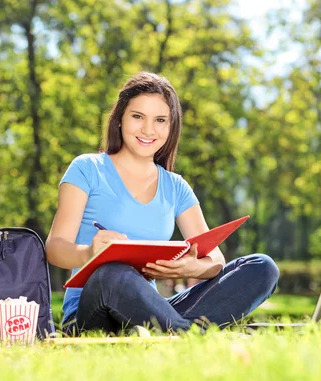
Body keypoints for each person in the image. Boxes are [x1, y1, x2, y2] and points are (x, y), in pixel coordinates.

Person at [46, 71, 279, 335]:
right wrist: (89, 253)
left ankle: (173, 332)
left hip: (151, 312)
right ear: (120, 119)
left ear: (171, 127)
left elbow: (215, 259)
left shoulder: (176, 186)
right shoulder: (87, 168)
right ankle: (187, 335)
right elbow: (54, 248)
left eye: (160, 120)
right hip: (92, 311)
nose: (148, 129)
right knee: (112, 272)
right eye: (137, 116)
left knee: (262, 267)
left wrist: (195, 267)